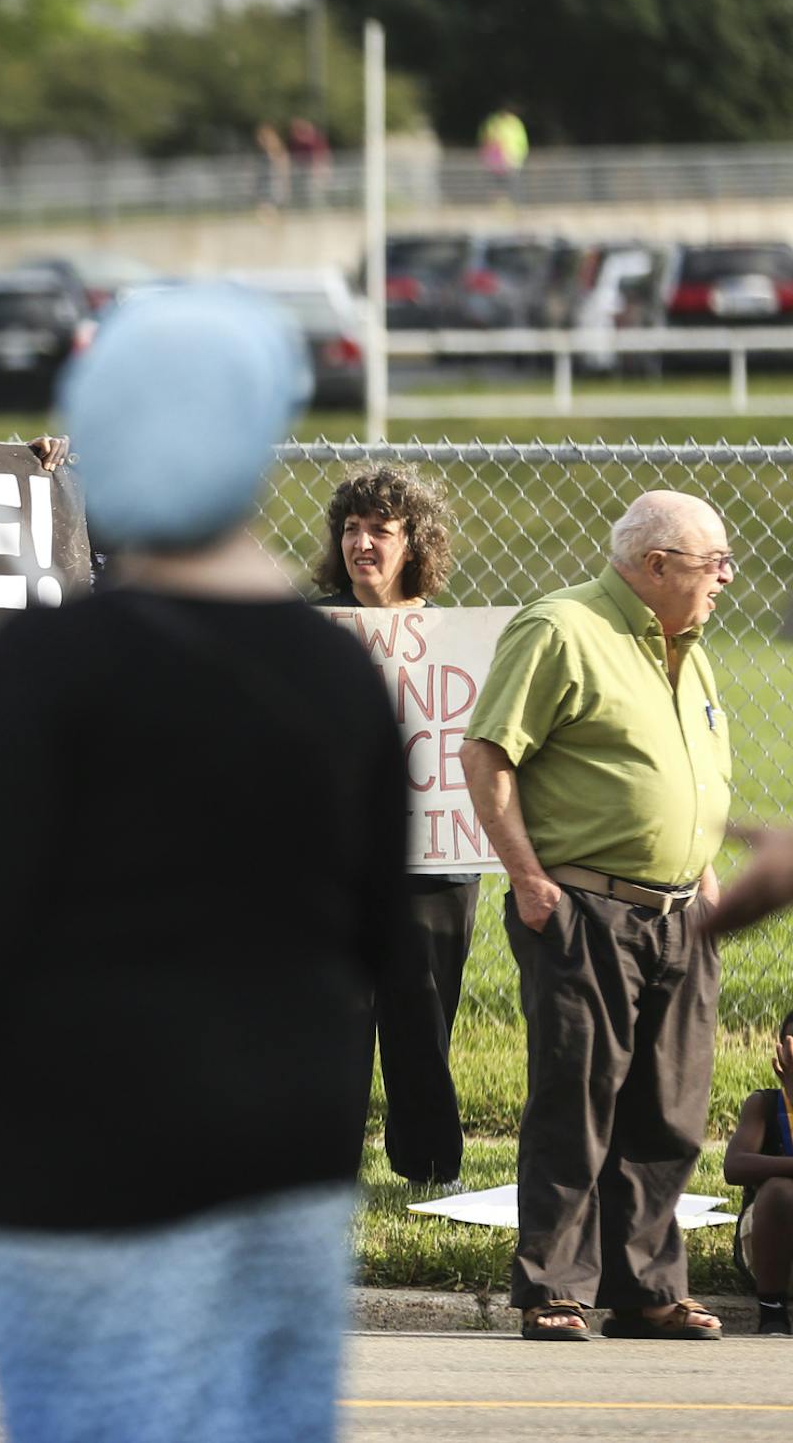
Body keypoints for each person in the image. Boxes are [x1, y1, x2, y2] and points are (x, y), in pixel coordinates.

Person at [0, 286, 407, 1443]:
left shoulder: (50, 660)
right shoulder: (340, 676)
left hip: (81, 1147)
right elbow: (380, 929)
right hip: (287, 1147)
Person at [460, 489, 734, 1341]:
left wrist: (705, 872)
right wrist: (530, 879)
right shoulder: (563, 629)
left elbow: (687, 775)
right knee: (577, 1104)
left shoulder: (689, 648)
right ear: (655, 566)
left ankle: (647, 1288)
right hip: (585, 908)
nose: (725, 578)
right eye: (711, 563)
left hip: (682, 913)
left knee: (669, 1112)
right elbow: (488, 751)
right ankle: (554, 1288)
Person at [310, 465, 476, 1187]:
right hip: (335, 865)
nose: (362, 542)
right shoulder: (311, 630)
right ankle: (322, 1170)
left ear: (415, 543)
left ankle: (430, 1166)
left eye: (381, 529)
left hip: (435, 859)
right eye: (351, 528)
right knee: (333, 1021)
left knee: (423, 1018)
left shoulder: (456, 634)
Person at [724, 1010, 793, 1335]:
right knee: (780, 1190)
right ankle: (772, 1311)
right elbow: (735, 1166)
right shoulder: (765, 1104)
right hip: (775, 1250)